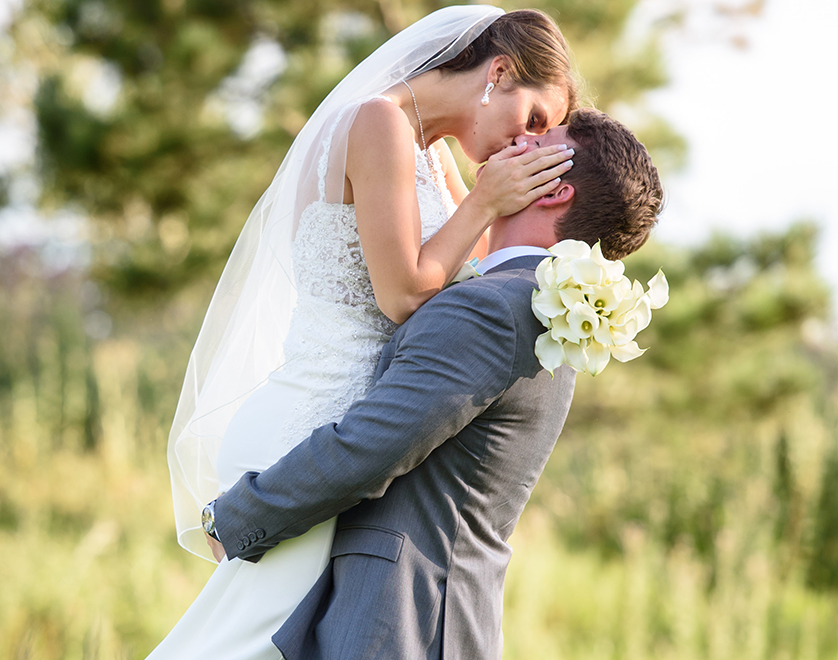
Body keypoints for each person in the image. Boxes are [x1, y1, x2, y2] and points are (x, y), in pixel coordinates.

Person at [154, 6, 578, 660]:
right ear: (498, 72)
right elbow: (407, 293)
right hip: (309, 432)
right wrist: (485, 202)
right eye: (533, 121)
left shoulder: (434, 160)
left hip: (343, 443)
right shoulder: (378, 121)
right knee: (239, 648)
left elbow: (473, 277)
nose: (524, 145)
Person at [204, 108, 664, 660]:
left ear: (554, 191)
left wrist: (236, 516)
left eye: (541, 138)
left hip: (398, 622)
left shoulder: (495, 308)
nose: (520, 136)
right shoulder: (541, 308)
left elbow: (372, 445)